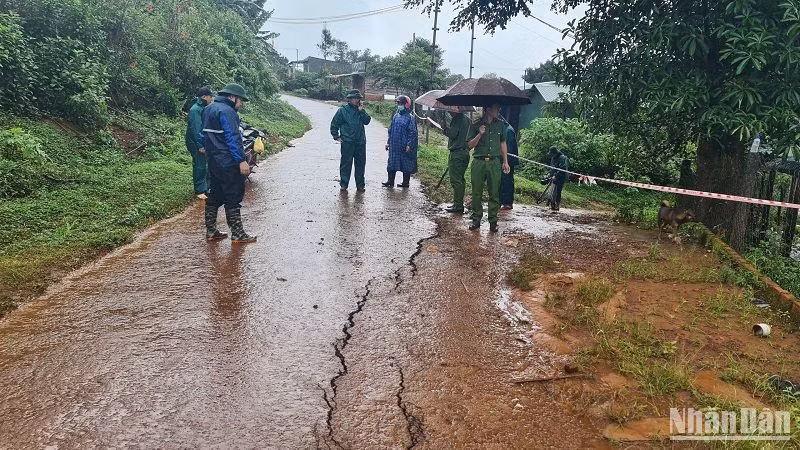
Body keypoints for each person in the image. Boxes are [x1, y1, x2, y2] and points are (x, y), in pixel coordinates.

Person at [201, 83, 256, 243]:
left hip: (213, 160)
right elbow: (232, 137)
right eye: (241, 101)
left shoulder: (209, 108)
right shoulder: (228, 112)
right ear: (232, 97)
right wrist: (241, 160)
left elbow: (202, 134)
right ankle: (238, 234)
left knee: (215, 195)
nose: (242, 104)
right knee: (233, 195)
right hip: (227, 160)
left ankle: (211, 231)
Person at [467, 103, 511, 232]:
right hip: (479, 162)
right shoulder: (475, 125)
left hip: (494, 163)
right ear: (488, 109)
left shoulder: (500, 125)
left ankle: (493, 221)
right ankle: (476, 220)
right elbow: (470, 145)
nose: (499, 111)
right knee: (476, 192)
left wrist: (505, 161)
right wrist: (479, 134)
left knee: (494, 193)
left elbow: (503, 143)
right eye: (497, 108)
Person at [330, 89, 371, 192]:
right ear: (349, 99)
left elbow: (367, 121)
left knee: (361, 164)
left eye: (358, 98)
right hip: (347, 142)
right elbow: (334, 124)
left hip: (360, 141)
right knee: (346, 163)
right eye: (354, 98)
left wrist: (362, 110)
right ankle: (344, 184)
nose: (357, 100)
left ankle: (360, 185)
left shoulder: (360, 111)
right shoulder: (342, 111)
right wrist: (336, 136)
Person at [383, 95, 418, 188]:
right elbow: (390, 130)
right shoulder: (396, 116)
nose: (399, 105)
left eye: (401, 103)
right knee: (391, 163)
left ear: (407, 104)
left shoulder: (410, 118)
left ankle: (405, 183)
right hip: (394, 145)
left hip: (404, 146)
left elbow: (412, 133)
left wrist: (409, 145)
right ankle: (390, 181)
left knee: (405, 164)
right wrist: (388, 142)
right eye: (398, 103)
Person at [441, 109, 471, 213]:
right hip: (464, 152)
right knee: (460, 179)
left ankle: (458, 205)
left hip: (457, 153)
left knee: (456, 180)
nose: (449, 111)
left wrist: (444, 128)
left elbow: (453, 134)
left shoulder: (457, 119)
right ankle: (458, 203)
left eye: (450, 109)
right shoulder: (467, 119)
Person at [185, 87, 213, 199]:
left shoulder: (204, 108)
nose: (212, 99)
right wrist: (200, 145)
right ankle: (199, 190)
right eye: (210, 97)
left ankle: (207, 188)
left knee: (207, 164)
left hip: (203, 140)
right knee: (200, 165)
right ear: (204, 97)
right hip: (195, 142)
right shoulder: (195, 109)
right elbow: (196, 129)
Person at [500, 121, 519, 210]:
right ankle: (502, 201)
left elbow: (510, 149)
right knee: (501, 181)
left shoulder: (508, 131)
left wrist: (505, 161)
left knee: (507, 181)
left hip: (508, 160)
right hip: (504, 159)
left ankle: (507, 202)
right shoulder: (506, 129)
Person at [548, 146, 569, 212]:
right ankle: (552, 203)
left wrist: (556, 176)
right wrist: (550, 175)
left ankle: (557, 204)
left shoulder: (562, 158)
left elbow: (562, 168)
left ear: (555, 153)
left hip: (561, 176)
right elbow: (552, 168)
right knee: (552, 190)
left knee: (558, 190)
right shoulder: (553, 158)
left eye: (552, 153)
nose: (551, 155)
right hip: (554, 175)